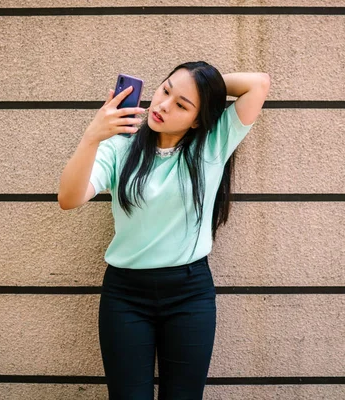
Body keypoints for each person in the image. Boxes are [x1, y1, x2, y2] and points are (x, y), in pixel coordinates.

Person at [58, 61, 270, 400]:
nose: (163, 105)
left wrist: (205, 88)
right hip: (125, 296)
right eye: (166, 89)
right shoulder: (119, 147)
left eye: (182, 105)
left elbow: (258, 83)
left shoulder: (212, 145)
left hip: (190, 294)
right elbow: (68, 199)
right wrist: (92, 136)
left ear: (199, 119)